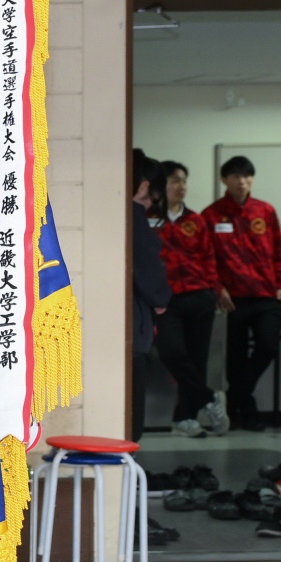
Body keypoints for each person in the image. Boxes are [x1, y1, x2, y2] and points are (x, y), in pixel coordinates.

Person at [206, 154, 281, 431]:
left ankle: (236, 397)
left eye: (246, 176)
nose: (241, 181)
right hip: (233, 299)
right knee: (235, 358)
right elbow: (207, 258)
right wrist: (218, 287)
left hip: (266, 294)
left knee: (268, 346)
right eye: (235, 176)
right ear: (224, 180)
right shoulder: (211, 215)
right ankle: (246, 412)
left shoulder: (265, 211)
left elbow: (279, 250)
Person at [153, 161, 222, 436]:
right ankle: (208, 398)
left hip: (199, 296)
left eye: (183, 181)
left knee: (197, 359)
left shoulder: (196, 220)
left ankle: (185, 418)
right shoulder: (147, 218)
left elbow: (209, 258)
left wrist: (212, 291)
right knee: (171, 352)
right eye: (174, 181)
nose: (181, 186)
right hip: (165, 300)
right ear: (162, 186)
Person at [131, 151, 172, 438]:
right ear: (145, 186)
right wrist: (161, 298)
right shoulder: (133, 216)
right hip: (134, 327)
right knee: (132, 412)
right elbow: (148, 267)